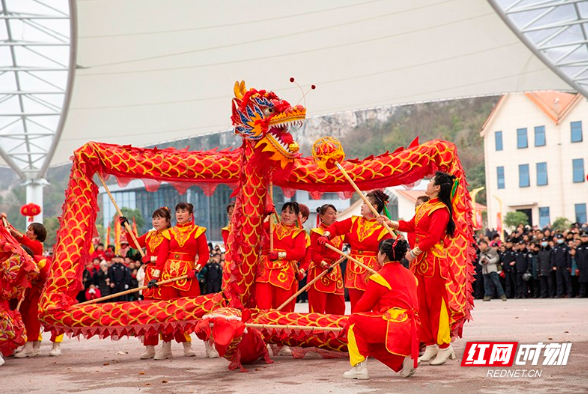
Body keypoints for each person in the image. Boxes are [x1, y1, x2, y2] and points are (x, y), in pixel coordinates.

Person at [377, 172, 457, 366]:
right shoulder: (426, 206)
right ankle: (430, 344)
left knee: (436, 305)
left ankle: (445, 346)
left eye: (430, 181)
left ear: (437, 187)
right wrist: (392, 223)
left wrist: (414, 251)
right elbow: (412, 225)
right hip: (420, 262)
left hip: (433, 261)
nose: (428, 183)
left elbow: (433, 236)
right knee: (420, 305)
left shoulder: (441, 210)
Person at [343, 238, 419, 380]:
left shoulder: (380, 276)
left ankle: (359, 368)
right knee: (366, 335)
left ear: (383, 255)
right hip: (414, 327)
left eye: (378, 252)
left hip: (395, 324)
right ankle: (402, 361)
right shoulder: (411, 275)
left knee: (354, 322)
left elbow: (362, 307)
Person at [318, 190, 392, 312]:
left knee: (373, 305)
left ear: (374, 207)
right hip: (353, 268)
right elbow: (336, 227)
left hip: (373, 270)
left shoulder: (384, 227)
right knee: (356, 307)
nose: (361, 206)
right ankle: (355, 330)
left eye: (365, 203)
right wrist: (326, 235)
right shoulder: (354, 221)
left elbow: (389, 251)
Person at [157, 202, 208, 360]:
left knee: (193, 310)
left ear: (190, 214)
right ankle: (166, 347)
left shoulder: (198, 232)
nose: (179, 214)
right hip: (168, 276)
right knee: (167, 311)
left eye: (183, 211)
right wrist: (155, 276)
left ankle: (202, 345)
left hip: (188, 276)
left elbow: (205, 255)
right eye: (178, 211)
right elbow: (162, 256)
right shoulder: (169, 232)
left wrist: (197, 269)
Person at [255, 202, 306, 312]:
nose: (286, 215)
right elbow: (257, 228)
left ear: (296, 217)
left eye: (290, 212)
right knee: (262, 307)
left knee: (282, 310)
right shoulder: (271, 226)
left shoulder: (298, 233)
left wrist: (280, 254)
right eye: (284, 211)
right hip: (265, 271)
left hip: (284, 273)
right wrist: (266, 214)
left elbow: (299, 252)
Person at [307, 204, 345, 315]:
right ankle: (316, 331)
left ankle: (335, 332)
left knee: (338, 307)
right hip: (320, 271)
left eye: (335, 213)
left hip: (335, 272)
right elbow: (314, 254)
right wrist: (323, 264)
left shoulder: (340, 233)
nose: (334, 216)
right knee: (318, 308)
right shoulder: (317, 232)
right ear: (322, 216)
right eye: (330, 213)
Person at [577, 231, 588, 297]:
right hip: (581, 267)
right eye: (583, 237)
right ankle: (582, 293)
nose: (584, 238)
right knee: (582, 281)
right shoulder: (579, 247)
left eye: (585, 237)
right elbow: (576, 257)